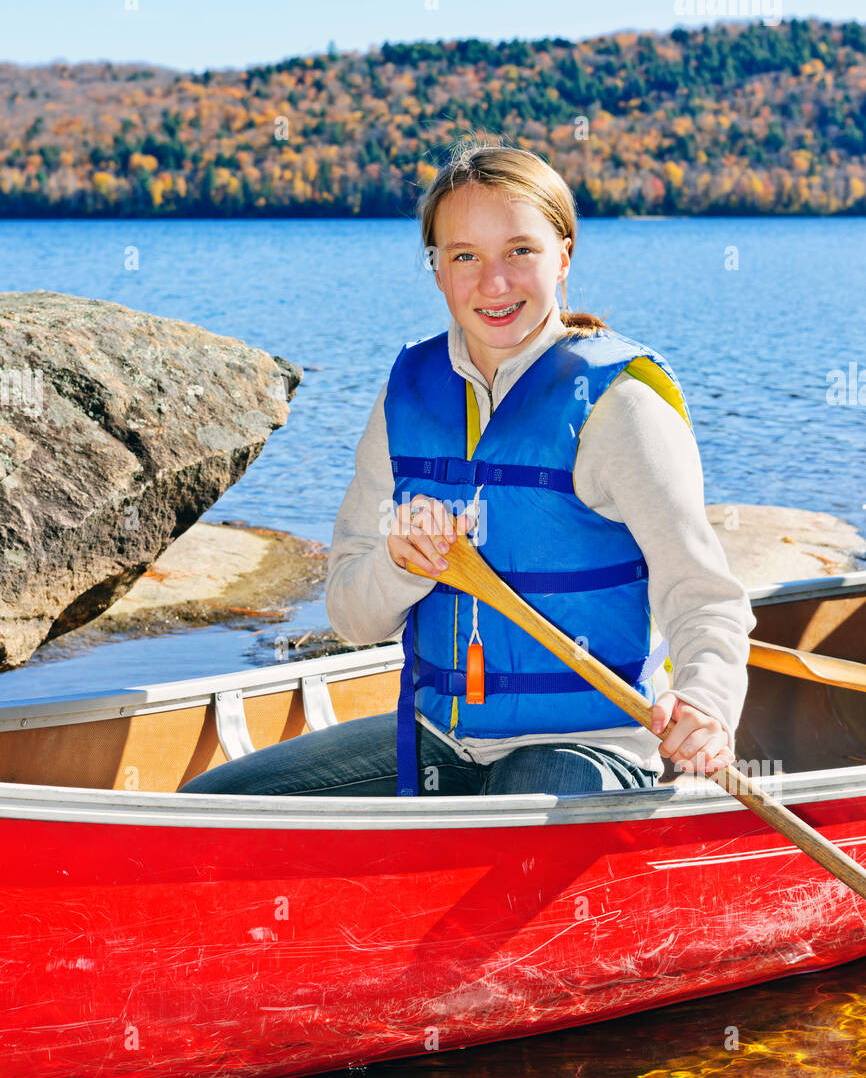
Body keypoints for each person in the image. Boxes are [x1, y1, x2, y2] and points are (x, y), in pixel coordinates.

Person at [180, 141, 756, 799]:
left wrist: (706, 706)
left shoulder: (620, 407)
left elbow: (704, 598)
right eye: (465, 257)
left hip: (585, 745)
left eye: (520, 250)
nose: (494, 283)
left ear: (563, 255)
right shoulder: (408, 395)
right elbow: (352, 618)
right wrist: (401, 565)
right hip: (436, 738)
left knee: (511, 848)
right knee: (214, 807)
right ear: (436, 269)